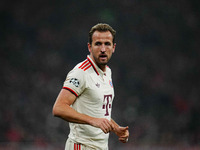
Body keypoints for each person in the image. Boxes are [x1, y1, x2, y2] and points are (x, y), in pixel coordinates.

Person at [53, 23, 129, 150]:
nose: (103, 49)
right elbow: (59, 108)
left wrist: (116, 128)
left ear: (114, 47)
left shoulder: (107, 72)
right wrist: (93, 121)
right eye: (98, 44)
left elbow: (97, 110)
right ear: (90, 47)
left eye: (107, 44)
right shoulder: (81, 72)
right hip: (81, 146)